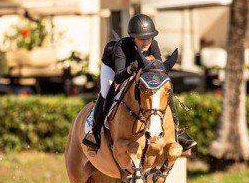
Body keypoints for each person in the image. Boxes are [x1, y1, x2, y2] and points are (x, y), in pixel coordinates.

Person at [82, 14, 196, 152]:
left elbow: (157, 69)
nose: (146, 42)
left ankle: (177, 132)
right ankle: (95, 132)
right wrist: (131, 69)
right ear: (133, 37)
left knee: (165, 91)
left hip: (138, 71)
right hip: (113, 68)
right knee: (107, 91)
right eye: (141, 39)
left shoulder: (153, 44)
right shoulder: (122, 46)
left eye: (149, 37)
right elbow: (118, 77)